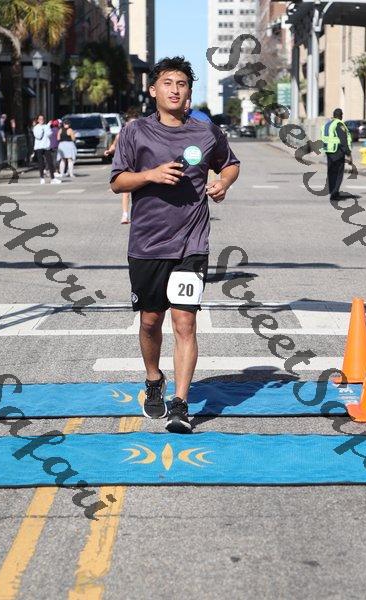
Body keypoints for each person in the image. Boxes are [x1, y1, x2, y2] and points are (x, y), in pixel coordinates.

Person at [110, 56, 240, 433]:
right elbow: (117, 182)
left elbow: (230, 164)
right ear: (153, 90)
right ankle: (154, 379)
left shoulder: (205, 131)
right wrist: (150, 175)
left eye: (181, 84)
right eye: (167, 83)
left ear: (189, 92)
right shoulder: (135, 131)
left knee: (185, 322)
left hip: (191, 243)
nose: (174, 90)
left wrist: (223, 182)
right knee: (150, 321)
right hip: (147, 244)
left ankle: (180, 404)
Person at [105, 107, 139, 223]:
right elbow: (114, 145)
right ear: (126, 124)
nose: (133, 126)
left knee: (139, 192)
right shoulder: (122, 133)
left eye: (135, 123)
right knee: (126, 192)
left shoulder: (143, 133)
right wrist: (110, 151)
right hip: (126, 164)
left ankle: (137, 214)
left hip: (139, 165)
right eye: (131, 124)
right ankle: (125, 215)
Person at [321, 108, 352, 200]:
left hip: (329, 151)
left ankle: (332, 191)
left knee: (331, 173)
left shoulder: (328, 124)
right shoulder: (339, 124)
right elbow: (343, 140)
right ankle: (334, 194)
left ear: (334, 115)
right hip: (337, 152)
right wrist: (348, 153)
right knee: (338, 174)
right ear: (341, 116)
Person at [33, 114, 61, 185]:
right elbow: (38, 136)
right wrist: (42, 130)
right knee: (41, 163)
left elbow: (49, 134)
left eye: (42, 119)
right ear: (38, 120)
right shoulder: (36, 127)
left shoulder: (46, 126)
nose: (41, 120)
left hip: (46, 147)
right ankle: (42, 178)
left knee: (50, 162)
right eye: (40, 119)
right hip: (39, 147)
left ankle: (53, 178)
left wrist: (47, 127)